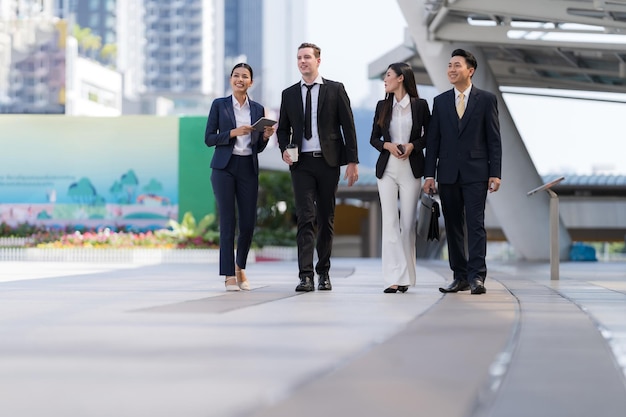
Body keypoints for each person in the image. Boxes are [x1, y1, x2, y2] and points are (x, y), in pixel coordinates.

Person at [277, 42, 359, 292]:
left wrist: (352, 161)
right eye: (299, 57)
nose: (303, 61)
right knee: (305, 217)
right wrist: (284, 148)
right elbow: (282, 129)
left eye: (307, 57)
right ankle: (305, 276)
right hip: (301, 164)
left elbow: (348, 126)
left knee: (326, 218)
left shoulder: (335, 89)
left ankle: (323, 272)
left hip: (328, 161)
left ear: (318, 61)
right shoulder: (289, 93)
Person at [423, 48, 502, 295]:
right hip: (447, 174)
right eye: (449, 66)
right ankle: (459, 276)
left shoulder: (486, 100)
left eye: (457, 65)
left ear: (471, 70)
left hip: (477, 172)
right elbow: (433, 140)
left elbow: (494, 140)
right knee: (454, 226)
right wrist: (429, 175)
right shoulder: (440, 101)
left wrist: (495, 172)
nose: (451, 70)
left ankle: (477, 276)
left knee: (475, 224)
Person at [204, 63, 275, 291]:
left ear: (251, 82)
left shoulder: (258, 109)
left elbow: (259, 148)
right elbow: (209, 138)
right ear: (230, 79)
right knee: (228, 221)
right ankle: (228, 275)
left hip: (248, 168)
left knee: (247, 223)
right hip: (224, 168)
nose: (240, 79)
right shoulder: (219, 105)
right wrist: (233, 133)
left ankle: (240, 266)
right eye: (236, 76)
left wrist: (265, 136)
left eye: (245, 76)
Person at [370, 62, 431, 294]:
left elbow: (430, 136)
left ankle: (406, 276)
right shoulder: (382, 106)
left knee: (407, 223)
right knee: (390, 223)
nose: (385, 80)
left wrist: (413, 145)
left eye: (388, 76)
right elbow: (374, 138)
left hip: (411, 168)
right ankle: (393, 278)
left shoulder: (420, 106)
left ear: (401, 78)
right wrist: (387, 145)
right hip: (387, 169)